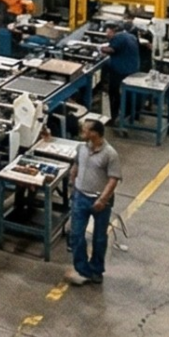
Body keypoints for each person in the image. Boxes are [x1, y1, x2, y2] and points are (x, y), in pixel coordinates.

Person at [67, 117, 120, 286]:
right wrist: (72, 183)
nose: (82, 132)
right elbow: (76, 165)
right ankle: (83, 270)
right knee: (76, 235)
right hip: (80, 197)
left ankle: (96, 270)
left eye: (86, 130)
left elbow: (113, 179)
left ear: (95, 133)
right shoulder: (82, 148)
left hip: (100, 201)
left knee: (99, 238)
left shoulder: (110, 154)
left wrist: (103, 199)